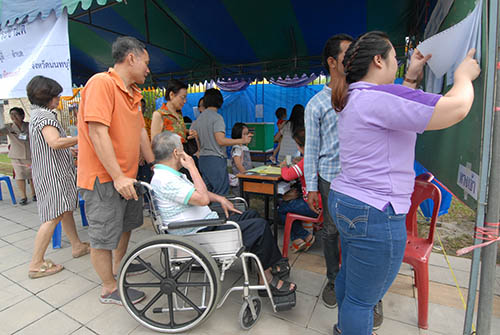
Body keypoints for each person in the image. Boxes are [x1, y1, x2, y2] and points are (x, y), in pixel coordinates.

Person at [329, 31, 480, 335]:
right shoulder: (382, 97)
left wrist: (411, 76)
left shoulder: (353, 96)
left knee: (350, 281)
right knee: (363, 301)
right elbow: (457, 108)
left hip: (345, 200)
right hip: (376, 212)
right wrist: (463, 77)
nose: (397, 65)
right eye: (395, 59)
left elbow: (396, 111)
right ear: (378, 60)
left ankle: (342, 328)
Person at [150, 131, 296, 297]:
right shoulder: (167, 180)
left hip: (203, 224)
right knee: (260, 227)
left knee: (251, 214)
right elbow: (203, 198)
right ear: (176, 153)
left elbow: (195, 193)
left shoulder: (166, 175)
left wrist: (220, 198)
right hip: (198, 232)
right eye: (182, 148)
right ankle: (266, 278)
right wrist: (192, 166)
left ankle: (268, 264)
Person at [77, 36, 155, 305]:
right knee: (101, 236)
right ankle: (109, 288)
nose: (148, 69)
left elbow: (141, 134)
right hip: (104, 177)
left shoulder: (134, 93)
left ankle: (118, 265)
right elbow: (98, 133)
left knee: (126, 225)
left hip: (127, 176)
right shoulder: (102, 84)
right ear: (131, 58)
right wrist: (119, 176)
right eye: (146, 62)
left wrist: (155, 164)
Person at [304, 33, 353, 311]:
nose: (355, 58)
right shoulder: (317, 104)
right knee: (331, 231)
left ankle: (362, 287)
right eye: (348, 54)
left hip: (360, 179)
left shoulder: (363, 94)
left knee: (358, 234)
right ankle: (333, 279)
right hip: (330, 179)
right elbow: (311, 150)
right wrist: (311, 187)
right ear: (333, 62)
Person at [26, 76, 90, 279]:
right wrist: (83, 137)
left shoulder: (36, 114)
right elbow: (54, 142)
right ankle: (36, 263)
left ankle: (77, 245)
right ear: (46, 96)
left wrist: (69, 150)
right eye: (56, 96)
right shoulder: (45, 117)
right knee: (53, 216)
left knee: (65, 211)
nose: (59, 99)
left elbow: (48, 145)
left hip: (49, 171)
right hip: (54, 174)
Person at [191, 88, 252, 195]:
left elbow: (192, 135)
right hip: (215, 160)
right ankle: (219, 212)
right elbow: (220, 141)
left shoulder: (198, 120)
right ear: (220, 102)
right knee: (220, 193)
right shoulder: (217, 118)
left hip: (203, 159)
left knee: (207, 193)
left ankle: (208, 211)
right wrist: (241, 140)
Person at [278, 128, 316, 252]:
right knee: (290, 203)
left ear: (300, 147)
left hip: (311, 205)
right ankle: (298, 239)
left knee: (282, 209)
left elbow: (287, 175)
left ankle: (305, 236)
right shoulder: (316, 157)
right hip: (321, 203)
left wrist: (283, 166)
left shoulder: (306, 161)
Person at [0, 107, 36, 205]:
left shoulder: (29, 125)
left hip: (30, 154)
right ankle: (23, 196)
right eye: (11, 115)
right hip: (16, 155)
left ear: (22, 115)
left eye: (16, 114)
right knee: (20, 175)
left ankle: (34, 194)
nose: (13, 117)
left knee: (33, 175)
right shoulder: (9, 127)